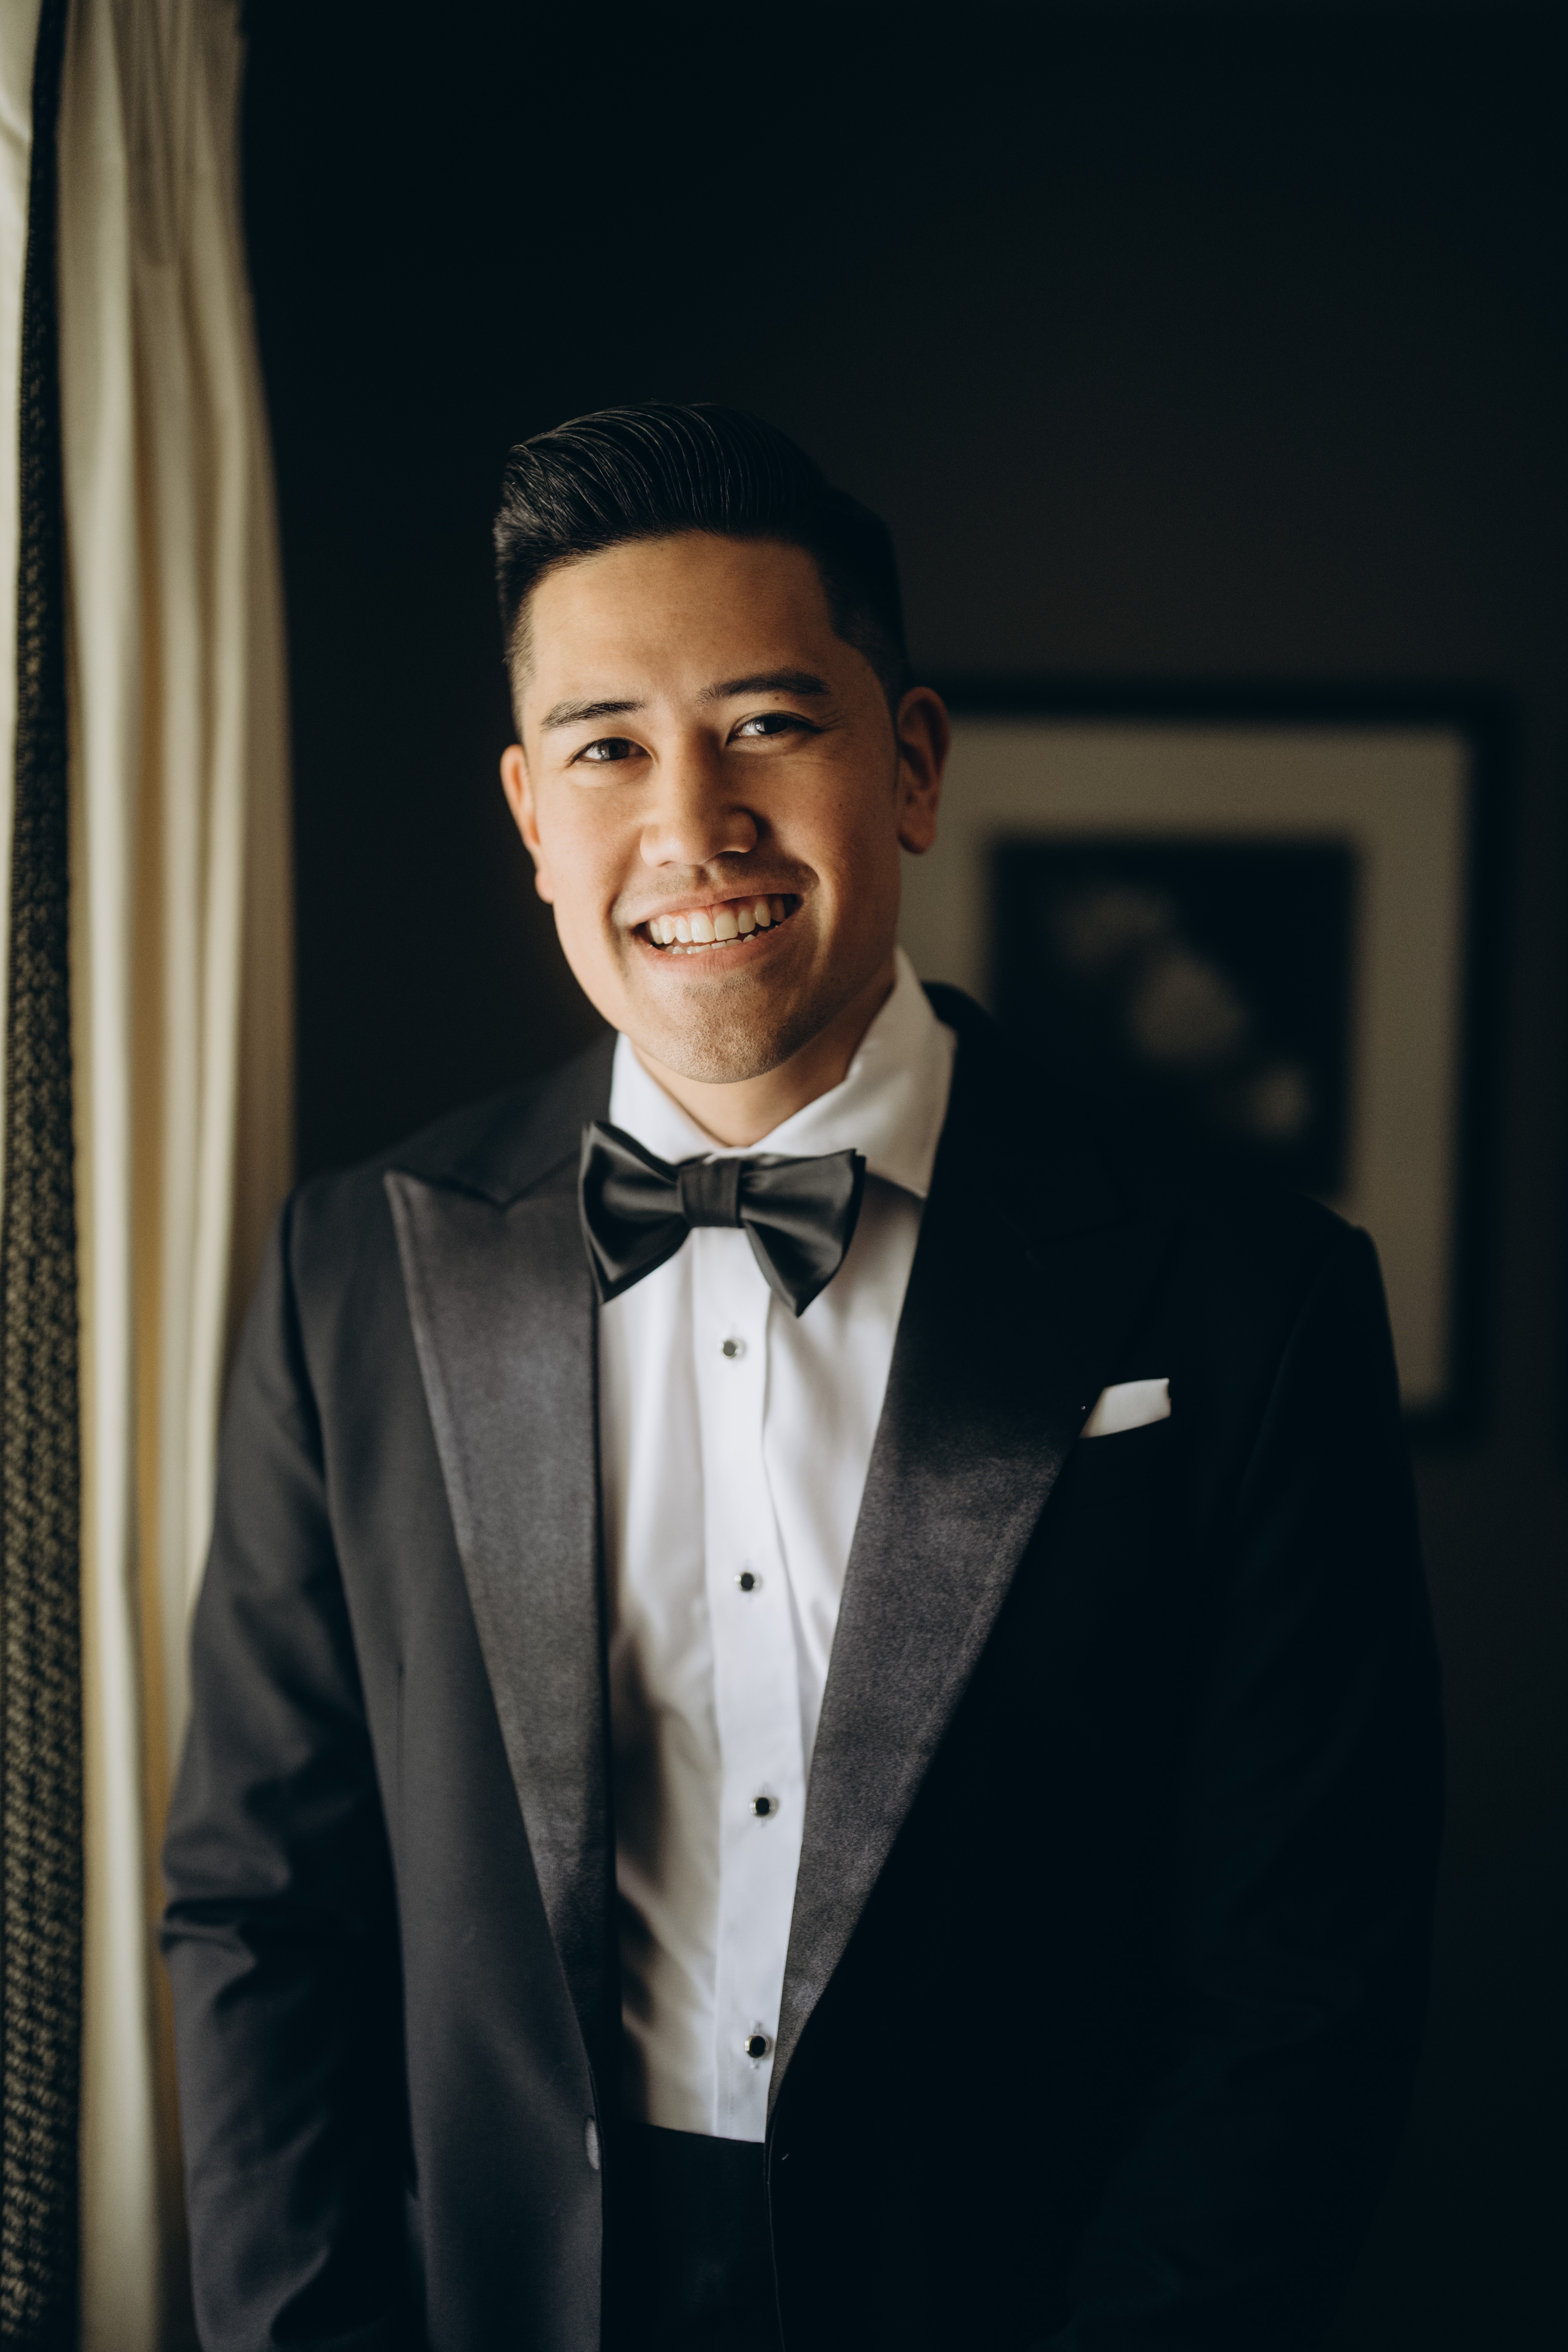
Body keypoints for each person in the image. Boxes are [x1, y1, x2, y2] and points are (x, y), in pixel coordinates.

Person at [162, 404, 1443, 2352]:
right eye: (607, 747)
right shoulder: (352, 1266)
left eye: (766, 723)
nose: (693, 827)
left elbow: (1302, 1989)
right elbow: (262, 1910)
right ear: (531, 815)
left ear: (909, 763)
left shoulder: (1250, 1296)